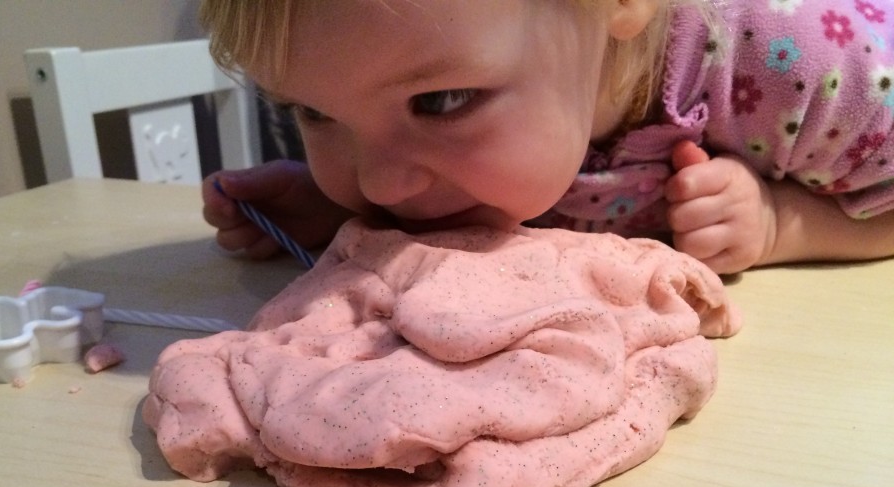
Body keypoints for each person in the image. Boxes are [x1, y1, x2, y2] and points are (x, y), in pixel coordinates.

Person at [199, 0, 893, 275]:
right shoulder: (424, 80)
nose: (379, 181)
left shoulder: (805, 69)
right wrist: (345, 216)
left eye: (439, 102)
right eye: (316, 115)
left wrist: (785, 225)